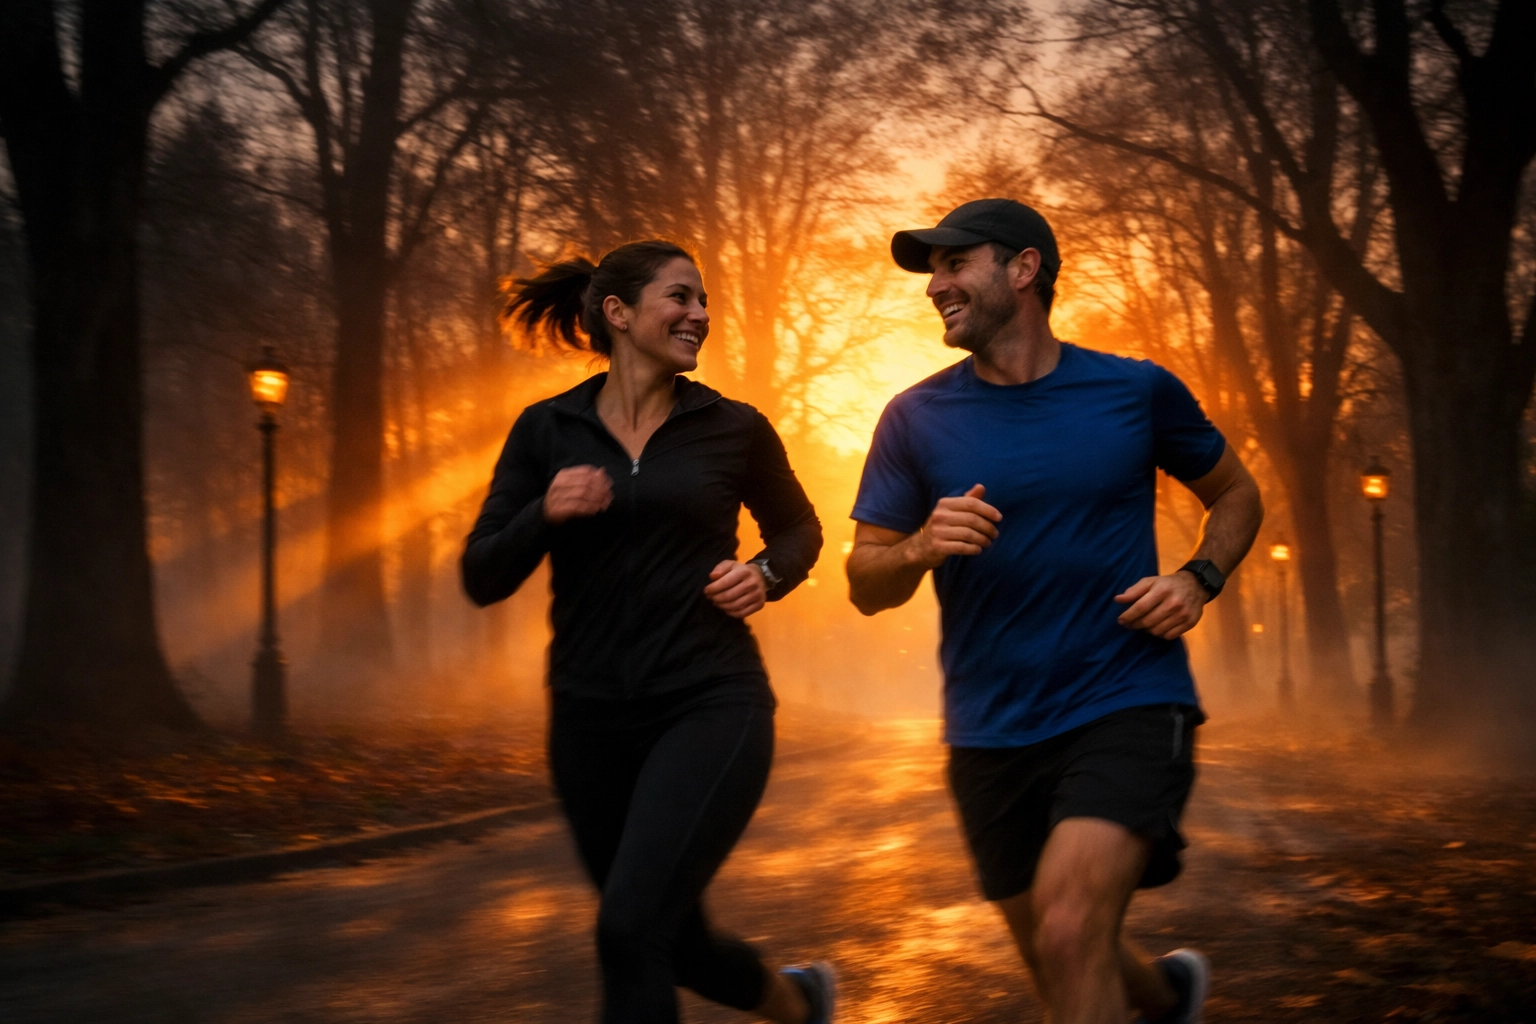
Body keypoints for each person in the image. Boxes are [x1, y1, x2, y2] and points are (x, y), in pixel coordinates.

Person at [846, 200, 1264, 1024]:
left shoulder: (1134, 390)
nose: (935, 286)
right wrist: (920, 546)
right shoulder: (913, 417)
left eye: (955, 263)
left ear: (1024, 268)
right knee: (1057, 944)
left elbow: (1236, 494)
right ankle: (1166, 999)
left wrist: (1198, 579)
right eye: (932, 271)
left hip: (1125, 697)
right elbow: (865, 581)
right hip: (989, 727)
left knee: (1071, 932)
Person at [462, 240, 835, 1024]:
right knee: (669, 938)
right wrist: (543, 513)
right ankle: (800, 1005)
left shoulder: (731, 427)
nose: (699, 314)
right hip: (588, 719)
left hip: (710, 701)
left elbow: (801, 529)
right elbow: (482, 574)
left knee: (629, 929)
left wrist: (765, 575)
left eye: (704, 301)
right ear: (619, 313)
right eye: (680, 296)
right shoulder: (547, 430)